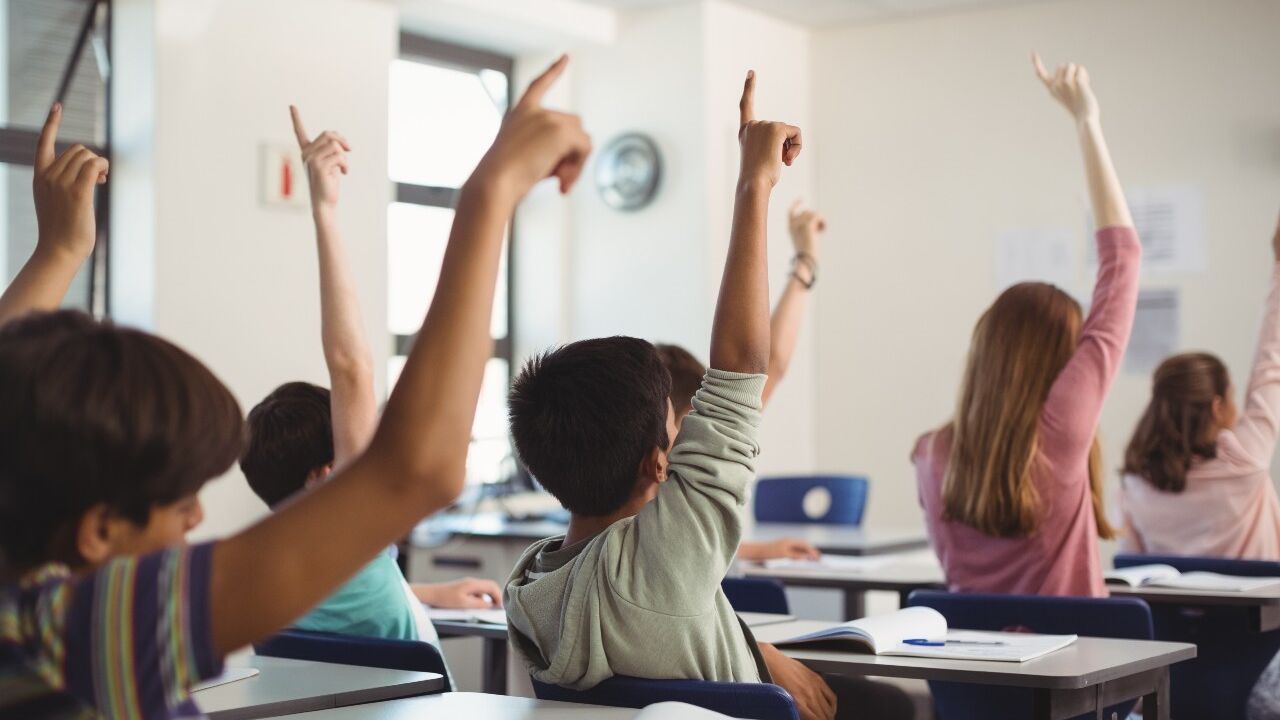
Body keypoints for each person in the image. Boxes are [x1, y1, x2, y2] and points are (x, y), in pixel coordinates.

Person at [0, 57, 590, 717]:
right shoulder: (71, 628)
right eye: (176, 501)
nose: (198, 520)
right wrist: (492, 190)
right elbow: (410, 463)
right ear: (97, 529)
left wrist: (57, 251)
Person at [504, 71, 912, 720]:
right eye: (675, 424)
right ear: (657, 464)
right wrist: (756, 183)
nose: (686, 428)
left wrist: (753, 650)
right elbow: (744, 368)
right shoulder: (667, 559)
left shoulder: (530, 586)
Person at [238, 108, 503, 654]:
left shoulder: (274, 579)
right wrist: (324, 213)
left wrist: (426, 592)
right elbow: (352, 369)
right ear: (328, 476)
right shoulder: (353, 536)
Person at [911, 54, 1141, 598]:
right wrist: (1087, 122)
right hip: (1079, 678)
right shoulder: (1059, 433)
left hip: (971, 684)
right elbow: (1123, 261)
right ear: (1062, 364)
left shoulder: (929, 453)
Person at [656, 200, 826, 562]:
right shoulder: (642, 484)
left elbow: (771, 365)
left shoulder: (700, 441)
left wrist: (805, 262)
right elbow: (680, 550)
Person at [1120, 213, 1280, 559]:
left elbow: (1132, 573)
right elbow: (1270, 366)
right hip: (1256, 615)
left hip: (1167, 616)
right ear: (1217, 407)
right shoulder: (1246, 460)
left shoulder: (1136, 483)